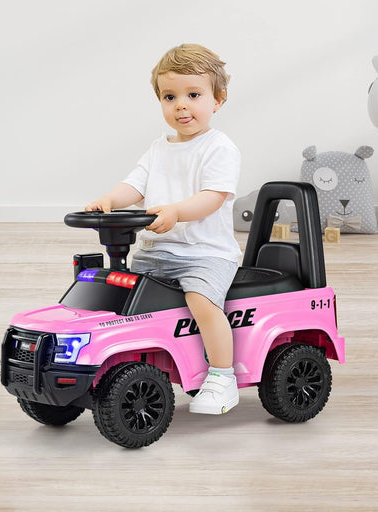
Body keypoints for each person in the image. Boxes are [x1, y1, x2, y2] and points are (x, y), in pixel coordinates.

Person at [85, 43, 241, 415]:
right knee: (119, 296)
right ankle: (120, 363)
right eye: (170, 97)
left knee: (201, 301)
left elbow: (213, 197)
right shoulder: (158, 149)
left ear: (218, 100)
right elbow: (133, 186)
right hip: (156, 253)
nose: (181, 106)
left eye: (193, 95)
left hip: (205, 255)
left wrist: (176, 211)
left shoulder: (219, 148)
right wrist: (110, 199)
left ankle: (222, 377)